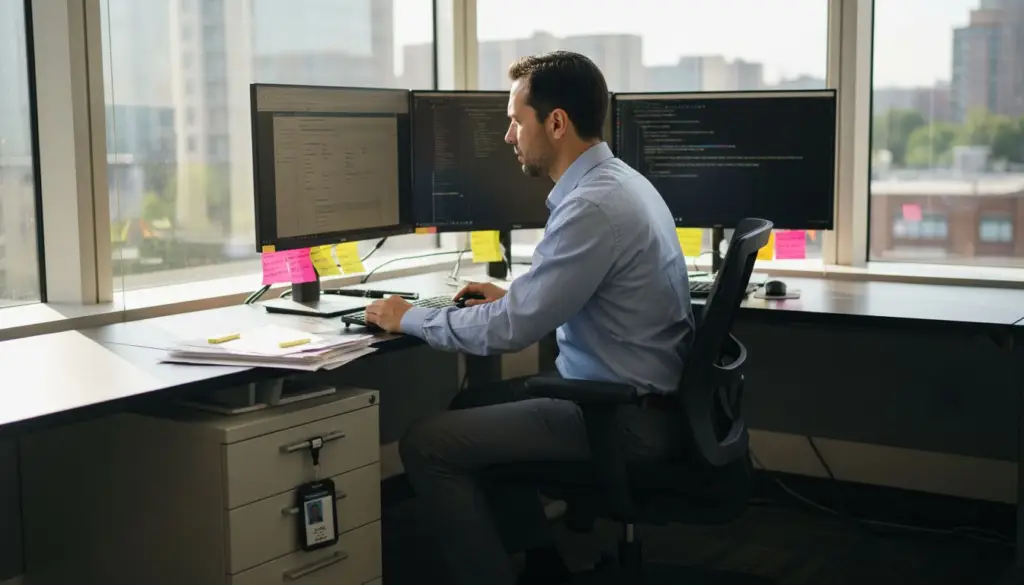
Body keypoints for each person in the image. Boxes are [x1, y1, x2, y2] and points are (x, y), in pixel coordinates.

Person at [365, 51, 695, 585]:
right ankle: (542, 565)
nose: (508, 136)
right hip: (645, 402)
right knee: (473, 405)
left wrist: (409, 318)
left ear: (556, 123)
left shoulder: (591, 206)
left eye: (517, 121)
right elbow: (582, 290)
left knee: (426, 444)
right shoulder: (620, 182)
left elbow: (510, 330)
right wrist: (516, 294)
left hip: (620, 418)